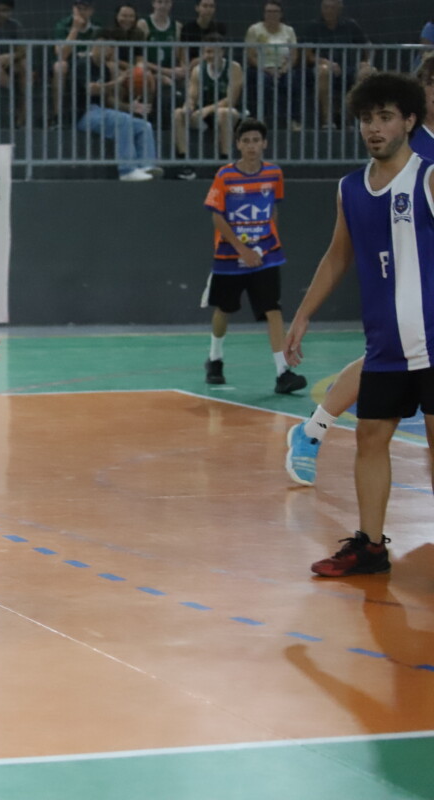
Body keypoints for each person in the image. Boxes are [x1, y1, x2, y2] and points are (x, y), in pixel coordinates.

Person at [283, 72, 434, 578]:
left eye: (385, 117)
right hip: (386, 345)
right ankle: (370, 547)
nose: (374, 128)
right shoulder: (350, 188)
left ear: (409, 121)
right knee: (370, 439)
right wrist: (303, 314)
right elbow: (337, 256)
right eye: (367, 118)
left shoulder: (428, 177)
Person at [200, 117, 305, 394]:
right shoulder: (225, 176)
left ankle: (283, 372)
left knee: (273, 310)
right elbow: (217, 216)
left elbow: (272, 209)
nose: (251, 146)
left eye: (256, 140)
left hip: (265, 256)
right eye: (246, 141)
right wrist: (242, 249)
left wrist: (265, 245)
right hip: (229, 257)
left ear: (264, 143)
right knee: (224, 309)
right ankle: (215, 359)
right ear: (238, 144)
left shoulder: (274, 174)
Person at [72, 34, 161, 181]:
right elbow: (91, 89)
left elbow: (108, 99)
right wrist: (117, 82)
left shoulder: (105, 69)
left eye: (112, 48)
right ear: (96, 47)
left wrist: (129, 107)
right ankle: (127, 170)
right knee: (123, 120)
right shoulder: (83, 64)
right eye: (109, 47)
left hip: (100, 110)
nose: (111, 51)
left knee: (144, 126)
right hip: (83, 113)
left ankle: (146, 166)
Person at [172, 33, 242, 178]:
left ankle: (225, 161)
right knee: (178, 113)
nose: (208, 55)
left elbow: (231, 99)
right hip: (204, 115)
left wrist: (208, 109)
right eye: (205, 52)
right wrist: (188, 106)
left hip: (228, 113)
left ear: (221, 51)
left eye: (211, 52)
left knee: (224, 112)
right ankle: (185, 162)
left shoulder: (234, 68)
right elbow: (192, 96)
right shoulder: (198, 70)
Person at [300, 0, 373, 129]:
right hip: (323, 68)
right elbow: (308, 55)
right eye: (326, 7)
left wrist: (366, 62)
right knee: (323, 72)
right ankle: (328, 121)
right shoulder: (313, 27)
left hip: (349, 67)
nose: (329, 11)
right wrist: (325, 62)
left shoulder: (350, 25)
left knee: (367, 73)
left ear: (339, 9)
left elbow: (367, 46)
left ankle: (347, 116)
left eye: (332, 8)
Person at [244, 0, 299, 132]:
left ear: (281, 14)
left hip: (283, 68)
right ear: (264, 14)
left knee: (293, 80)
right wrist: (266, 70)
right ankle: (260, 119)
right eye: (268, 12)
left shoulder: (289, 31)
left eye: (275, 12)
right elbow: (251, 56)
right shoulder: (254, 30)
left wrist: (284, 69)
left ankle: (293, 120)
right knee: (262, 81)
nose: (271, 15)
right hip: (261, 68)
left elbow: (294, 55)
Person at [137, 0, 185, 100]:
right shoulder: (143, 24)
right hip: (150, 71)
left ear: (171, 4)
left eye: (166, 2)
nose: (163, 6)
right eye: (159, 2)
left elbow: (179, 56)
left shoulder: (177, 26)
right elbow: (139, 60)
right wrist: (166, 72)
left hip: (171, 70)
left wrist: (182, 69)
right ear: (153, 3)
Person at [179, 0, 226, 68]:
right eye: (205, 6)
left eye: (211, 6)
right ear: (197, 8)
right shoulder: (187, 28)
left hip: (214, 67)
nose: (208, 9)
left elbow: (220, 53)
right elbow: (183, 59)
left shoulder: (220, 28)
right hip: (192, 68)